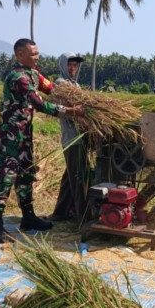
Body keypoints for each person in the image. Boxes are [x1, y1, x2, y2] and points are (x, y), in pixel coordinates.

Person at [0, 38, 84, 243]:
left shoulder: (34, 74)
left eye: (37, 53)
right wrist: (70, 111)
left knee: (25, 175)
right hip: (10, 136)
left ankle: (28, 217)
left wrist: (79, 97)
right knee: (5, 177)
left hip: (25, 135)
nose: (37, 57)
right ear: (20, 55)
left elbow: (52, 89)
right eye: (33, 54)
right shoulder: (18, 77)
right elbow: (39, 104)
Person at [51, 52, 89, 222]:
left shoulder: (76, 85)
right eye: (70, 65)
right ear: (63, 65)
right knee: (77, 177)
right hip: (72, 139)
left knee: (69, 177)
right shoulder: (61, 85)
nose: (73, 68)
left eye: (75, 65)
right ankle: (84, 217)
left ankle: (60, 213)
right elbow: (60, 110)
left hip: (80, 137)